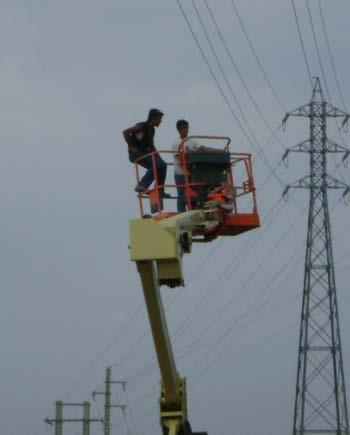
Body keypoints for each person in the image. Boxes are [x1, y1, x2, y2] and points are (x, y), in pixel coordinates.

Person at [123, 108, 170, 198]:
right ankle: (142, 185)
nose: (161, 121)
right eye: (159, 119)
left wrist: (159, 157)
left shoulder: (152, 130)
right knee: (157, 164)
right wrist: (131, 147)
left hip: (144, 152)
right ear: (153, 118)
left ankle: (160, 191)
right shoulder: (142, 126)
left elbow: (151, 146)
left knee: (163, 165)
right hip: (136, 154)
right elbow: (125, 132)